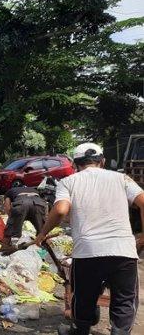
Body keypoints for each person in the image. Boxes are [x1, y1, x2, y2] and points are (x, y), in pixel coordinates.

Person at [35, 143, 144, 335]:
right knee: (124, 300)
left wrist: (43, 233)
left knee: (84, 296)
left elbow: (60, 210)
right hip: (123, 250)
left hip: (87, 252)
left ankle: (80, 329)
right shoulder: (121, 178)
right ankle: (119, 332)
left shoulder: (69, 182)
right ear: (102, 162)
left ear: (75, 164)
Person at [0, 185, 47, 253]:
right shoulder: (33, 189)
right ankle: (44, 250)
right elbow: (44, 205)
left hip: (22, 203)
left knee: (12, 232)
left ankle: (11, 249)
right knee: (42, 232)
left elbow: (7, 207)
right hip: (38, 204)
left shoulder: (9, 192)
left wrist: (13, 220)